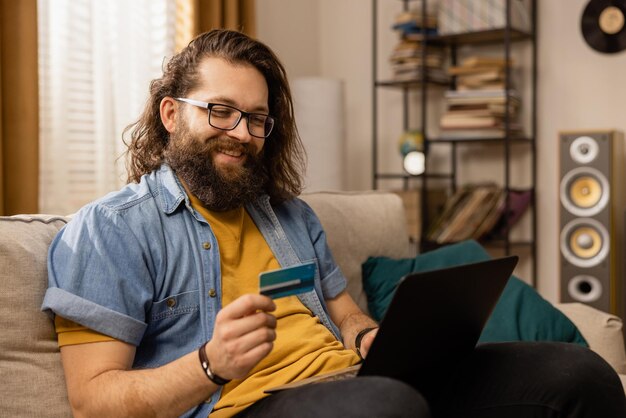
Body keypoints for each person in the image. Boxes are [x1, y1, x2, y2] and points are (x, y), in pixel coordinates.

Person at [42, 29, 625, 418]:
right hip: (248, 405)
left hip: (360, 382)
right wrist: (209, 363)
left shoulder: (290, 215)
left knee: (575, 373)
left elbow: (341, 311)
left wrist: (368, 336)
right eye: (221, 111)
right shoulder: (109, 230)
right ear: (172, 114)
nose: (242, 133)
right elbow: (94, 399)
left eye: (257, 120)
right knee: (387, 407)